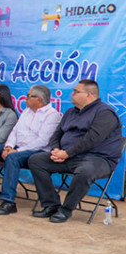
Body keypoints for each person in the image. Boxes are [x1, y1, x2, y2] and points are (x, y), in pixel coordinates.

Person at [28, 80, 123, 223]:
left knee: (85, 171)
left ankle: (66, 210)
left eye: (76, 91)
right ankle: (51, 205)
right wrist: (56, 150)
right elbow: (57, 134)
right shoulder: (71, 112)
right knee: (36, 160)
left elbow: (92, 139)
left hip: (98, 159)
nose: (71, 94)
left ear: (89, 95)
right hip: (68, 156)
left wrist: (67, 153)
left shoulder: (105, 113)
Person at [0, 85, 61, 213]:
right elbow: (15, 131)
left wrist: (17, 151)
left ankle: (8, 201)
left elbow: (42, 141)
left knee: (12, 158)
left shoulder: (52, 115)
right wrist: (8, 146)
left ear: (39, 99)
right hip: (17, 147)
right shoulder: (27, 111)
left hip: (37, 151)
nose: (26, 98)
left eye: (29, 96)